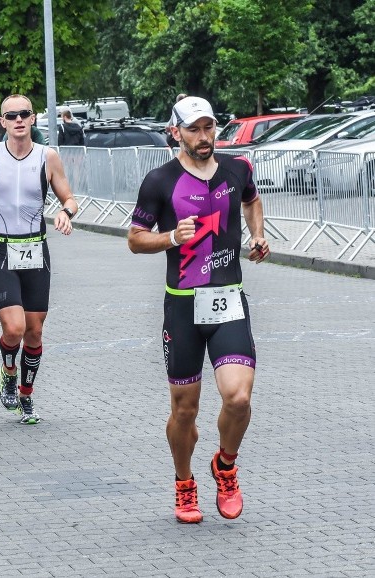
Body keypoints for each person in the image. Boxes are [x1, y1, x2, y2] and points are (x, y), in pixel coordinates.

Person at [127, 96, 270, 524]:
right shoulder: (159, 181)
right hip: (183, 308)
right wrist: (171, 237)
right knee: (185, 410)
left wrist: (257, 236)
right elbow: (135, 238)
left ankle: (225, 466)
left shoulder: (237, 169)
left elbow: (252, 200)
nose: (204, 137)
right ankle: (184, 483)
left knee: (239, 398)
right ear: (176, 133)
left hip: (229, 301)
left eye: (209, 128)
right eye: (194, 129)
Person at [0, 94, 79, 425]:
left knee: (34, 331)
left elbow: (69, 197)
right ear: (2, 122)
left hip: (35, 249)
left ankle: (26, 395)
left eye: (24, 114)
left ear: (32, 119)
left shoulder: (48, 156)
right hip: (0, 247)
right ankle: (8, 372)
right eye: (10, 115)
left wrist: (65, 213)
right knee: (13, 328)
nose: (18, 120)